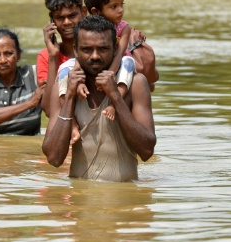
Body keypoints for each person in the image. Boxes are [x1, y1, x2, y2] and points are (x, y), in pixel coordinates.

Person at [42, 15, 156, 182]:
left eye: (103, 49)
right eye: (87, 49)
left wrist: (115, 96)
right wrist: (70, 98)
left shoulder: (135, 84)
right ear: (75, 50)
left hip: (123, 202)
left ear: (116, 49)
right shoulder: (63, 87)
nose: (95, 56)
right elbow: (53, 158)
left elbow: (147, 151)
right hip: (80, 202)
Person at [38, 0, 88, 116]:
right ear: (52, 20)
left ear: (83, 12)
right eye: (60, 18)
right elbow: (49, 110)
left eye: (72, 16)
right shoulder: (45, 56)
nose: (66, 22)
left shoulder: (98, 50)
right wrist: (54, 57)